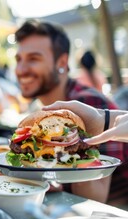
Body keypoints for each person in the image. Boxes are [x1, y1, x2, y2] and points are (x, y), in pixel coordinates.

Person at [14, 19, 125, 203]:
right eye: (19, 59)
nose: (20, 69)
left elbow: (94, 197)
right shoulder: (39, 110)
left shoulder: (89, 102)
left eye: (33, 59)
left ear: (62, 62)